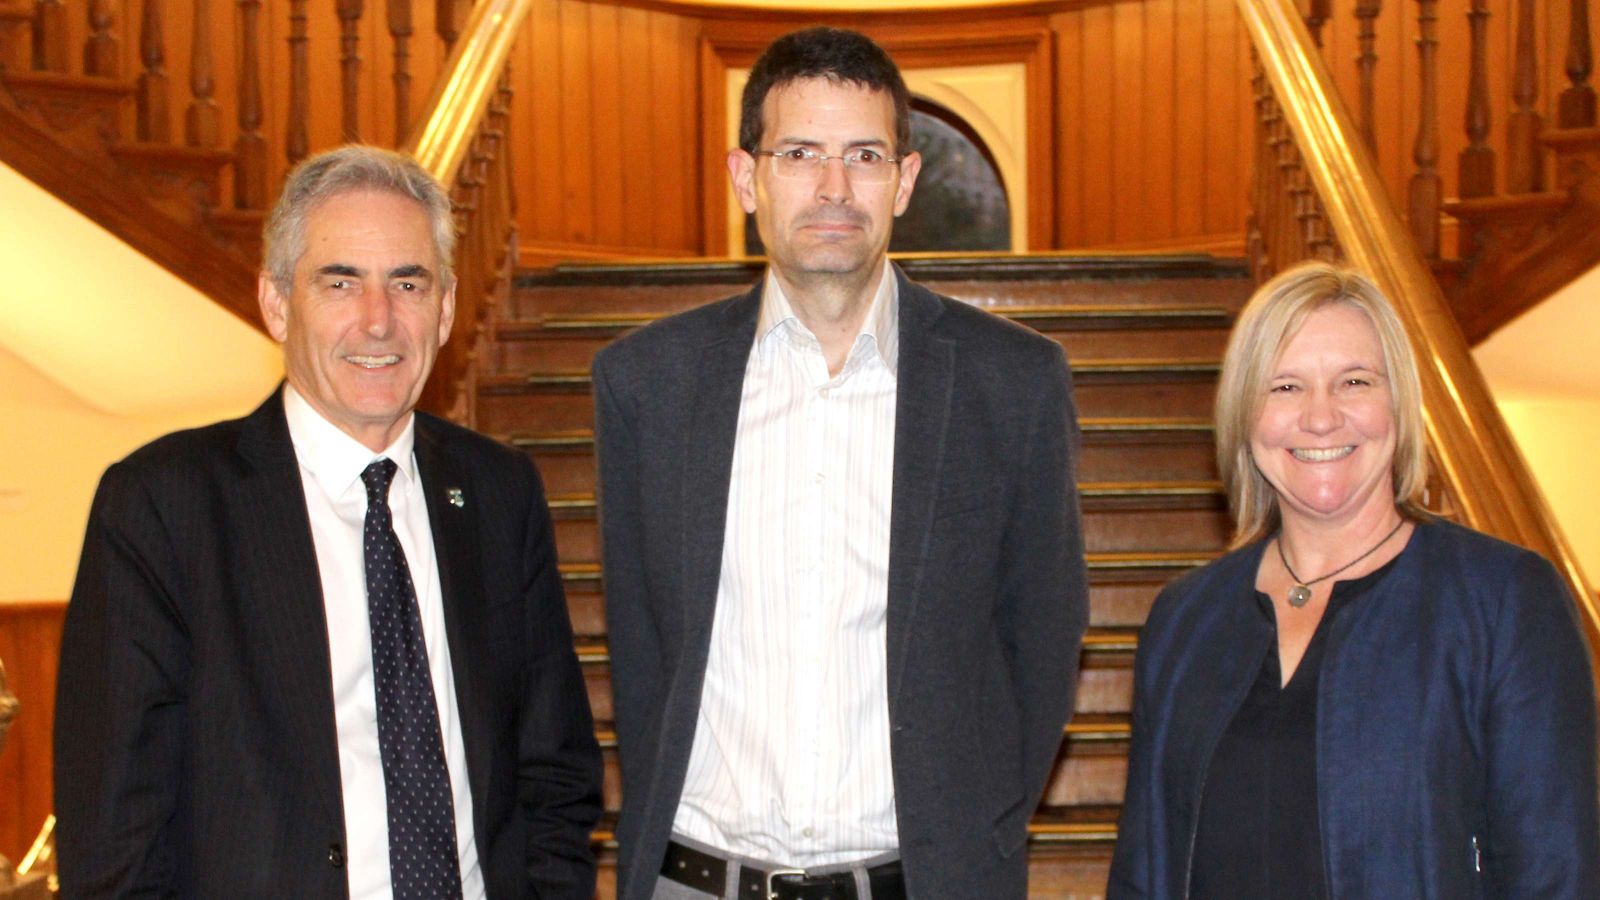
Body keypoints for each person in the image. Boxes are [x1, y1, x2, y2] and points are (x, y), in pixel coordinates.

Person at [591, 26, 1088, 900]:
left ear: (903, 181)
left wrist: (975, 832)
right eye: (799, 154)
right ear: (747, 177)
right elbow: (641, 649)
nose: (833, 187)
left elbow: (1043, 637)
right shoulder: (646, 385)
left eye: (863, 155)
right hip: (695, 882)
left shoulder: (1012, 382)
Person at [54, 145, 602, 898]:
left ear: (444, 309)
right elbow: (114, 834)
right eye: (340, 282)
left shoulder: (498, 492)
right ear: (278, 303)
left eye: (407, 283)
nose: (378, 322)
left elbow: (555, 772)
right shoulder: (163, 506)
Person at [1108, 261, 1600, 898]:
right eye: (1284, 387)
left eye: (1354, 381)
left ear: (1399, 404)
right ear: (1244, 415)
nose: (1320, 417)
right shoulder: (1184, 620)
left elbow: (1557, 875)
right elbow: (1144, 873)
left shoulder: (1503, 602)